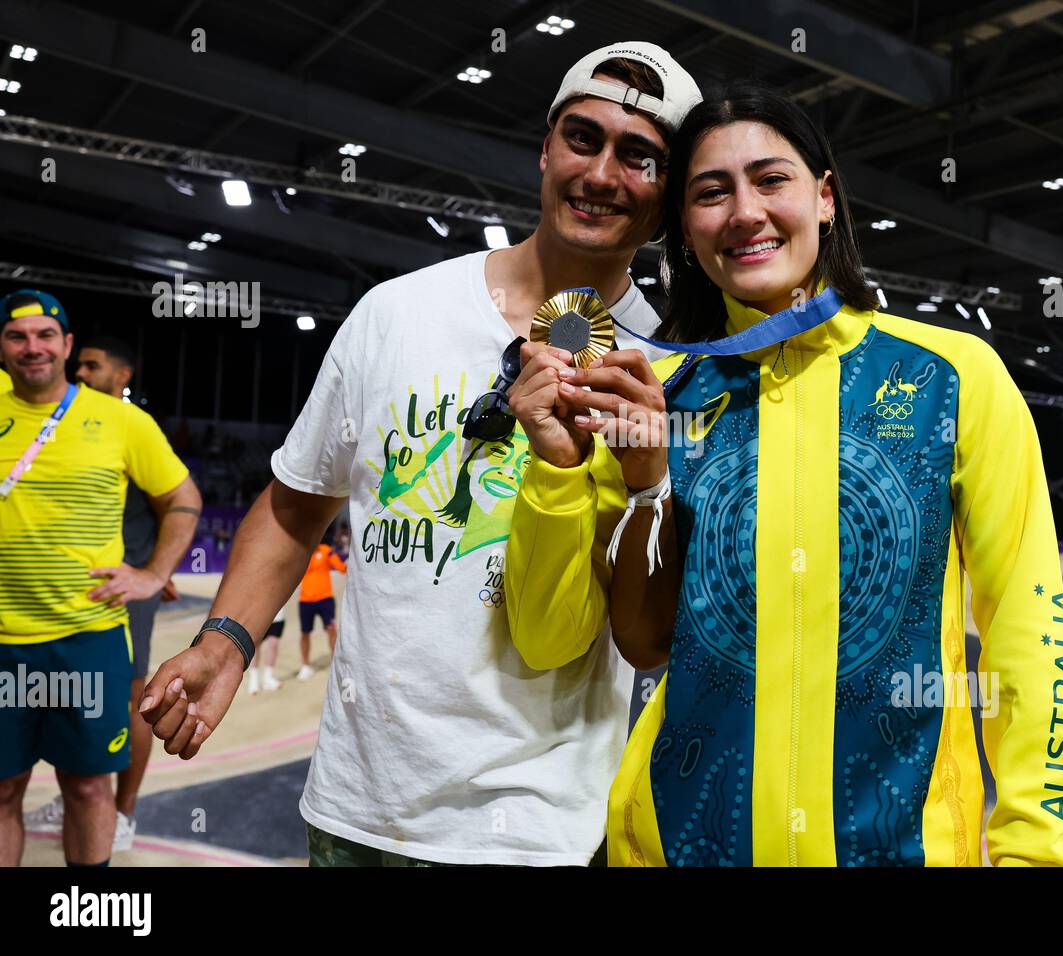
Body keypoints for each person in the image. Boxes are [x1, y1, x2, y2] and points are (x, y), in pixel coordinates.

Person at [138, 43, 703, 867]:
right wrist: (226, 639)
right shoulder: (396, 315)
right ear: (546, 148)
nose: (603, 173)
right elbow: (296, 506)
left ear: (667, 193)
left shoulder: (675, 371)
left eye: (640, 157)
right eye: (584, 138)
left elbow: (646, 624)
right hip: (358, 810)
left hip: (541, 829)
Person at [505, 85, 1063, 867]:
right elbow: (558, 638)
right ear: (685, 228)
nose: (744, 211)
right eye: (711, 192)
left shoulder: (954, 376)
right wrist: (561, 468)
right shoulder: (654, 393)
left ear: (826, 197)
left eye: (770, 179)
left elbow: (1027, 631)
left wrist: (1034, 851)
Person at [0, 290, 201, 866]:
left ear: (65, 345)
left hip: (87, 639)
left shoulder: (121, 420)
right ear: (3, 346)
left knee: (88, 788)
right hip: (1, 642)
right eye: (17, 336)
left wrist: (155, 572)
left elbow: (182, 495)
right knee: (3, 790)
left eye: (45, 336)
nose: (31, 347)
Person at [295, 536, 346, 681]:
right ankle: (305, 666)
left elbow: (341, 568)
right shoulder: (302, 553)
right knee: (305, 633)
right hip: (306, 600)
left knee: (331, 629)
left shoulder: (327, 551)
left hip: (325, 598)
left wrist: (349, 565)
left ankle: (336, 662)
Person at [248, 606, 287, 695]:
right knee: (255, 647)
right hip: (258, 618)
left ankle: (268, 677)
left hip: (277, 616)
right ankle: (253, 680)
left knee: (273, 644)